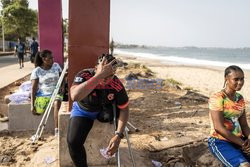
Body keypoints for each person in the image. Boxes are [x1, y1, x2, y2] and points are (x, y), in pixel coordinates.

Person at [67, 54, 129, 167]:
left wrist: (118, 135)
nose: (105, 80)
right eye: (102, 74)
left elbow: (124, 109)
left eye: (109, 76)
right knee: (73, 142)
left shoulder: (116, 84)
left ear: (114, 73)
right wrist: (99, 76)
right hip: (83, 110)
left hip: (104, 111)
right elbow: (74, 96)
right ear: (96, 68)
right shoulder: (84, 75)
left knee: (113, 112)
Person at [208, 65, 250, 167]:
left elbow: (244, 124)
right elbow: (219, 127)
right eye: (236, 79)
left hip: (239, 140)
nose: (240, 82)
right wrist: (243, 144)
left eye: (242, 79)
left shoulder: (239, 98)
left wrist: (249, 138)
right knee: (244, 165)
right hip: (220, 141)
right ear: (226, 79)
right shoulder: (217, 97)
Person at [30, 50, 63, 135]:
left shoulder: (56, 66)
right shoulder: (37, 71)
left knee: (56, 102)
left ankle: (56, 130)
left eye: (53, 57)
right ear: (44, 59)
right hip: (43, 94)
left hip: (56, 92)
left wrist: (62, 88)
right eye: (50, 58)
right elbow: (33, 88)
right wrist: (32, 105)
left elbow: (62, 78)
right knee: (37, 112)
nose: (53, 59)